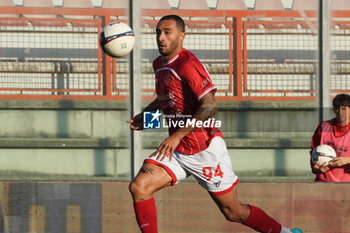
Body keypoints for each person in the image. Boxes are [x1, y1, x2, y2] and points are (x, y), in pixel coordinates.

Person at [127, 14, 302, 233]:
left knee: (233, 212)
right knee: (139, 187)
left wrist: (177, 135)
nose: (160, 37)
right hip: (178, 151)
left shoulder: (188, 65)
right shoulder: (158, 64)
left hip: (205, 149)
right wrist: (146, 115)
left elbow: (210, 106)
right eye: (158, 32)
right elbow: (169, 98)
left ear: (182, 36)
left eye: (167, 32)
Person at [310, 93, 350, 182]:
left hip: (346, 184)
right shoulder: (323, 127)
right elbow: (313, 153)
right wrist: (316, 169)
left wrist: (347, 160)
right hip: (323, 182)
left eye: (344, 109)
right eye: (337, 108)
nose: (340, 112)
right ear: (333, 110)